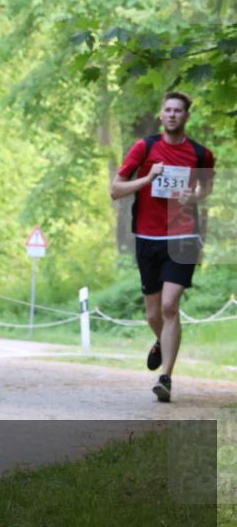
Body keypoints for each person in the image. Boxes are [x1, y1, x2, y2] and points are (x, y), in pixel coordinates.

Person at [110, 91, 215, 403]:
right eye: (167, 110)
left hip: (182, 236)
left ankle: (166, 377)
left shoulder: (201, 154)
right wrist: (147, 178)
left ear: (186, 117)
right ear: (160, 114)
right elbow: (115, 190)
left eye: (178, 111)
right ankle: (161, 341)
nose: (172, 115)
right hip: (148, 237)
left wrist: (192, 197)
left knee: (170, 306)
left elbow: (205, 190)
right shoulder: (145, 147)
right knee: (154, 313)